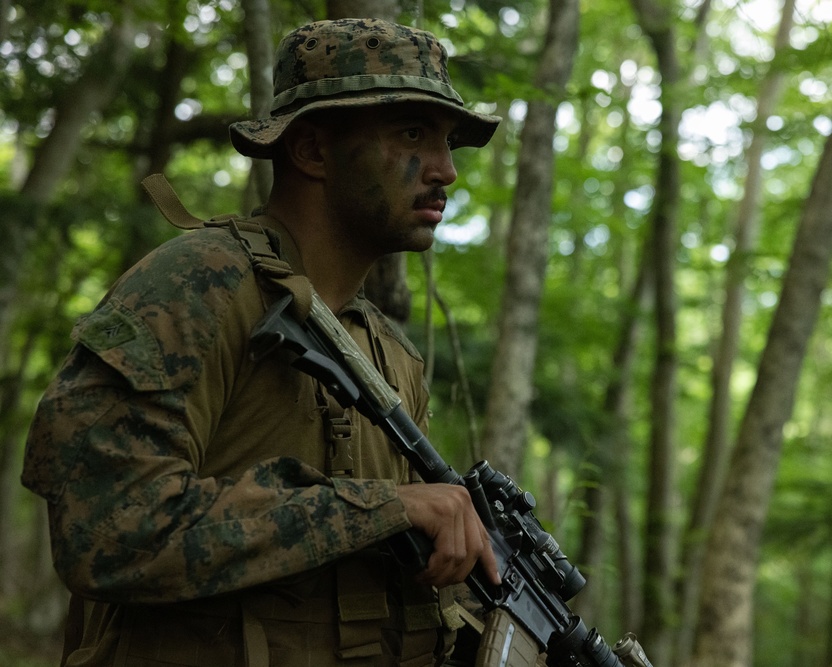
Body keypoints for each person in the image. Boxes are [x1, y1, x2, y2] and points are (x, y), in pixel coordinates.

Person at [22, 17, 502, 667]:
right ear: (310, 151)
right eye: (412, 134)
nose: (446, 169)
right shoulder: (199, 286)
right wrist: (383, 506)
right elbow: (110, 527)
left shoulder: (392, 360)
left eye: (449, 142)